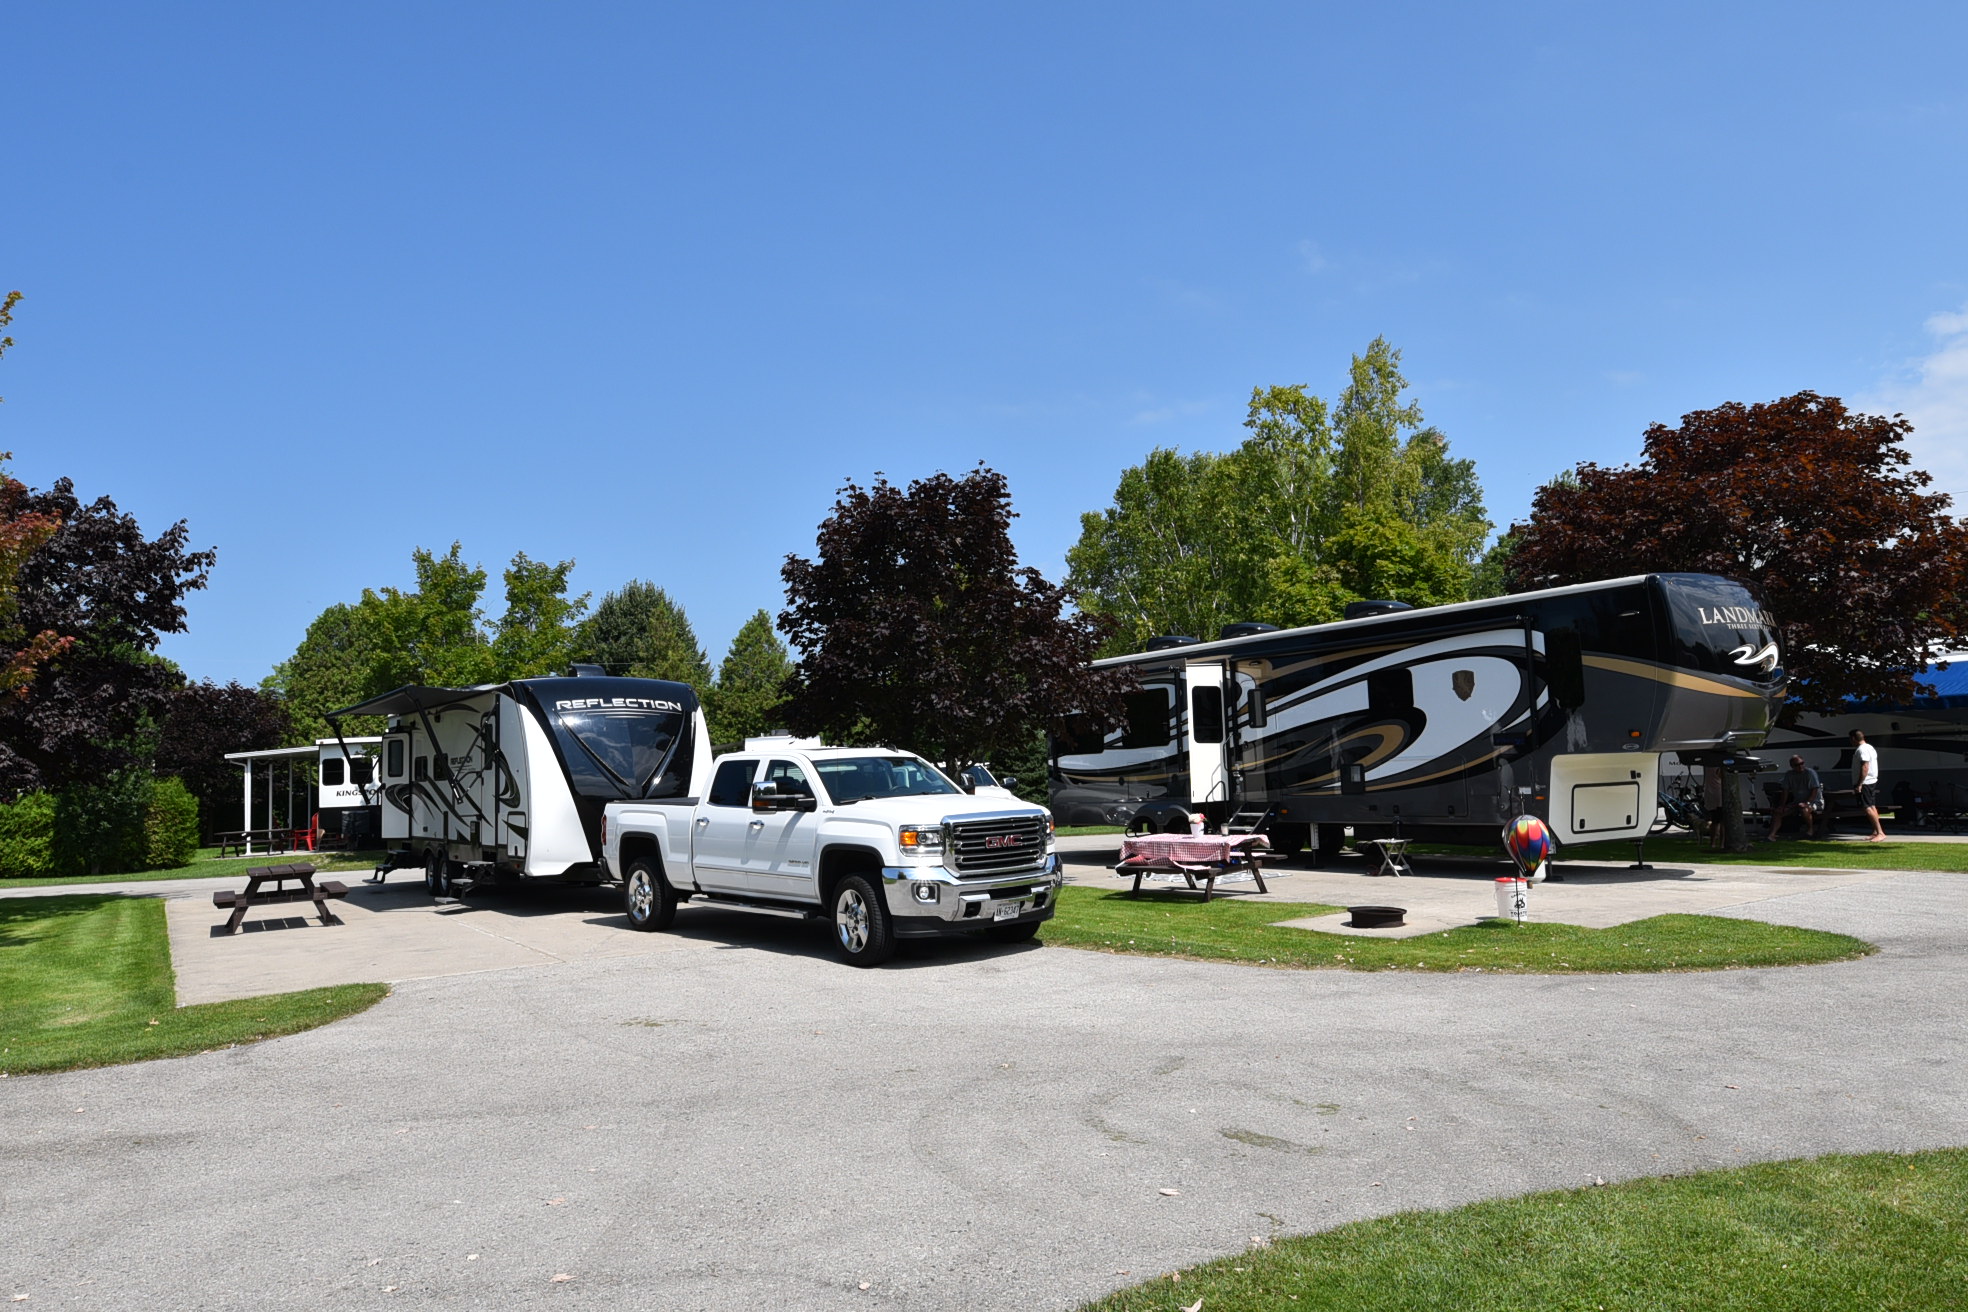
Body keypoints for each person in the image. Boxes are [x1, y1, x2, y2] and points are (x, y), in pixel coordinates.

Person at [1765, 755, 1822, 841]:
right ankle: (1771, 835)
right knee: (1778, 812)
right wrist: (1782, 806)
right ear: (1792, 766)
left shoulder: (1810, 773)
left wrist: (1807, 803)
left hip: (1814, 802)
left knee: (1804, 809)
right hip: (1797, 802)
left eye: (1802, 763)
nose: (1800, 766)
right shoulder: (1789, 774)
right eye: (1797, 765)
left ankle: (1810, 831)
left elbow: (1815, 790)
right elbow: (1785, 791)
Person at [1850, 729, 1886, 842]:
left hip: (1865, 782)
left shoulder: (1862, 750)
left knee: (1867, 808)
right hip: (1871, 781)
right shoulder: (1870, 747)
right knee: (1872, 806)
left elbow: (1865, 767)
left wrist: (1859, 784)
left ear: (1853, 738)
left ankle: (1880, 833)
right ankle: (1875, 831)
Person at [1702, 764, 1728, 851]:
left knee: (1714, 821)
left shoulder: (1708, 766)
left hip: (1709, 794)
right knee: (1722, 822)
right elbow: (1722, 777)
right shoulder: (1719, 767)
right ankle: (1722, 844)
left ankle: (1712, 843)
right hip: (1718, 795)